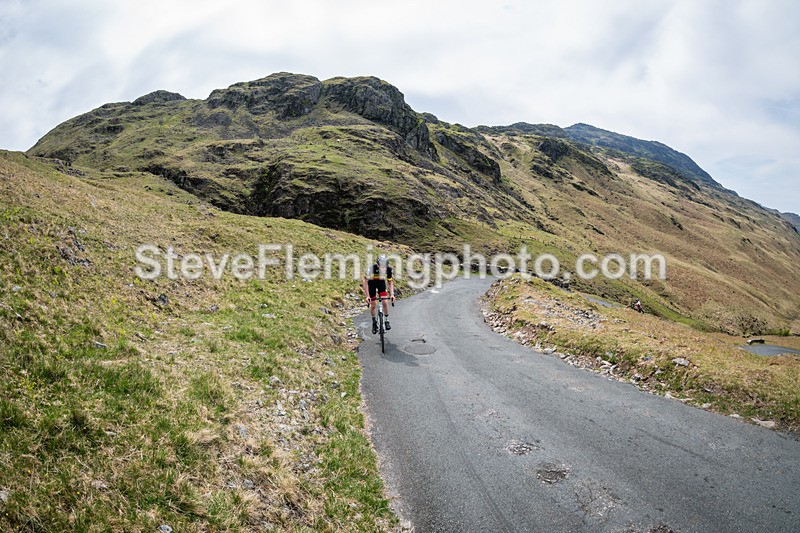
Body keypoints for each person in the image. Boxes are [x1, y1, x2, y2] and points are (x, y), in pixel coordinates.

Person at [363, 254, 395, 334]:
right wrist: (367, 296)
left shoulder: (389, 270)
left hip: (381, 283)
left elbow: (390, 282)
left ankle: (387, 321)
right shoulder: (371, 269)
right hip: (371, 284)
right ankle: (374, 322)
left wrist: (392, 294)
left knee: (384, 301)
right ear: (377, 264)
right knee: (373, 304)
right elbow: (365, 282)